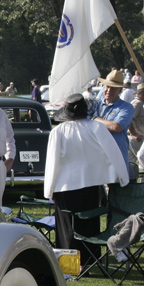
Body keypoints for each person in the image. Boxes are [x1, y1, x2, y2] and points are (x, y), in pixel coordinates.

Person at [44, 94, 128, 257]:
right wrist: (122, 178)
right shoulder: (96, 128)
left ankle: (69, 257)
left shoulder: (59, 131)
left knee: (69, 226)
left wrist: (49, 189)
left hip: (65, 187)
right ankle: (88, 257)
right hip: (90, 185)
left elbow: (52, 163)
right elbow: (114, 154)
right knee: (88, 223)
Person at [91, 68, 135, 170]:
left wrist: (94, 119)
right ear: (104, 86)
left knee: (116, 185)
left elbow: (116, 126)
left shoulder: (127, 107)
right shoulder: (95, 104)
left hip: (116, 159)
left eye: (114, 88)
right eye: (108, 86)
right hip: (96, 157)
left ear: (120, 90)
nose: (109, 90)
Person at [130, 83, 144, 167]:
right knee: (141, 158)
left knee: (131, 163)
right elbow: (129, 119)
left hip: (134, 137)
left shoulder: (137, 102)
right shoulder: (138, 103)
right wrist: (134, 133)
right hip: (137, 138)